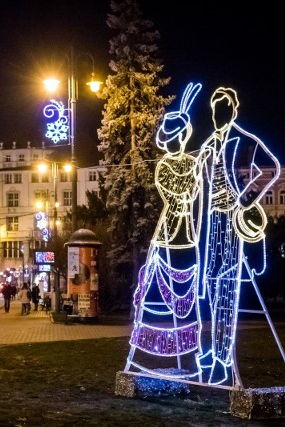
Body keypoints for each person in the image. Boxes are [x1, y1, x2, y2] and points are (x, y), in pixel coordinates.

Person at [196, 87, 280, 385]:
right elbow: (197, 175)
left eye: (224, 109)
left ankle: (221, 358)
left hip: (232, 220)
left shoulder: (243, 140)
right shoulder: (208, 143)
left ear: (233, 111)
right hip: (212, 221)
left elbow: (271, 169)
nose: (219, 115)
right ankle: (212, 350)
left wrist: (245, 199)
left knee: (228, 287)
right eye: (215, 110)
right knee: (211, 284)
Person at [125, 82, 204, 380]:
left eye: (178, 137)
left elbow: (194, 193)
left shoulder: (190, 162)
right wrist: (194, 171)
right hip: (169, 234)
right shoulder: (164, 167)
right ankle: (147, 352)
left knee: (189, 299)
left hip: (187, 238)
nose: (175, 144)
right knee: (157, 297)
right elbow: (181, 193)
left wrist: (196, 169)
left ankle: (192, 356)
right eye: (171, 139)